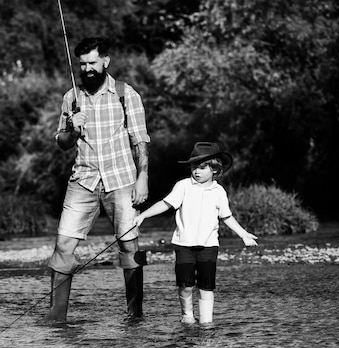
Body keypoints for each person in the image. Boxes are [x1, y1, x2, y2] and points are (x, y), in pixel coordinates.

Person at [44, 37, 151, 322]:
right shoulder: (71, 97)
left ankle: (135, 314)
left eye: (92, 62)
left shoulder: (127, 94)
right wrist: (71, 129)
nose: (87, 69)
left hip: (122, 180)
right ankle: (56, 318)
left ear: (106, 61)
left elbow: (140, 141)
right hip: (83, 180)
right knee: (63, 247)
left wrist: (143, 179)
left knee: (130, 246)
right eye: (82, 64)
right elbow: (63, 143)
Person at [133, 142, 258, 324]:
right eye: (194, 167)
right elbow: (165, 203)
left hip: (209, 246)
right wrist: (143, 215)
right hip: (184, 245)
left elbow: (227, 217)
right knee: (185, 286)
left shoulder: (219, 191)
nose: (196, 171)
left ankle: (206, 321)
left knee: (207, 287)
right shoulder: (183, 186)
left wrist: (243, 234)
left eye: (202, 167)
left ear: (215, 169)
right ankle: (187, 315)